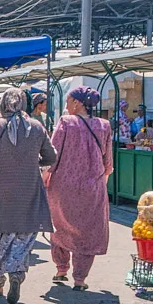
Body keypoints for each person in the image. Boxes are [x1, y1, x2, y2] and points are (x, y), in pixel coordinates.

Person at [0, 88, 57, 304]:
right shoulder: (37, 128)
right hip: (28, 190)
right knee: (22, 236)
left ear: (3, 104)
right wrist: (32, 162)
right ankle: (16, 274)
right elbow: (51, 156)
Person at [45, 86, 113, 291]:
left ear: (77, 103)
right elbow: (108, 163)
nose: (66, 105)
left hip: (63, 186)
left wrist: (45, 176)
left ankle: (61, 268)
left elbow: (52, 154)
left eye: (68, 101)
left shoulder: (66, 122)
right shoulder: (104, 125)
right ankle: (80, 279)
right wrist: (102, 182)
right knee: (87, 231)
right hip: (93, 187)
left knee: (59, 225)